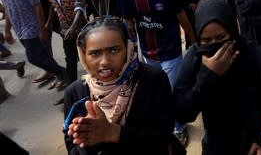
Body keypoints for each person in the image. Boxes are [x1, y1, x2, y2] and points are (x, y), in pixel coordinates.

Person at [173, 0, 261, 155]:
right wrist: (208, 77)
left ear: (233, 31)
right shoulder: (195, 58)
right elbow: (182, 112)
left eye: (221, 38)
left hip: (255, 144)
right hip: (216, 144)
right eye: (206, 40)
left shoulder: (257, 57)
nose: (215, 45)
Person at [63, 16, 185, 154]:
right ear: (84, 55)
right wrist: (87, 138)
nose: (104, 61)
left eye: (114, 50)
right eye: (95, 53)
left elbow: (162, 137)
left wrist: (114, 133)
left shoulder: (153, 79)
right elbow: (72, 149)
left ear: (128, 48)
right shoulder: (75, 94)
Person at [117, 0, 195, 146]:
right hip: (146, 54)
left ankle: (179, 127)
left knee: (173, 92)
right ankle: (163, 125)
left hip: (171, 53)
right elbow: (129, 22)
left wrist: (194, 44)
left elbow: (181, 15)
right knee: (155, 93)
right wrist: (130, 50)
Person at [0, 0, 66, 88]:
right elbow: (7, 9)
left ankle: (63, 73)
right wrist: (7, 30)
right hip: (19, 29)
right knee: (42, 56)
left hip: (32, 27)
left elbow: (37, 6)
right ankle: (58, 75)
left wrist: (42, 28)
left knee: (33, 57)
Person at [43, 0, 87, 94]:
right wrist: (49, 22)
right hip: (65, 31)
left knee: (89, 57)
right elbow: (53, 7)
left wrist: (73, 27)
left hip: (82, 31)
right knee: (70, 60)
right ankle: (72, 91)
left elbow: (79, 8)